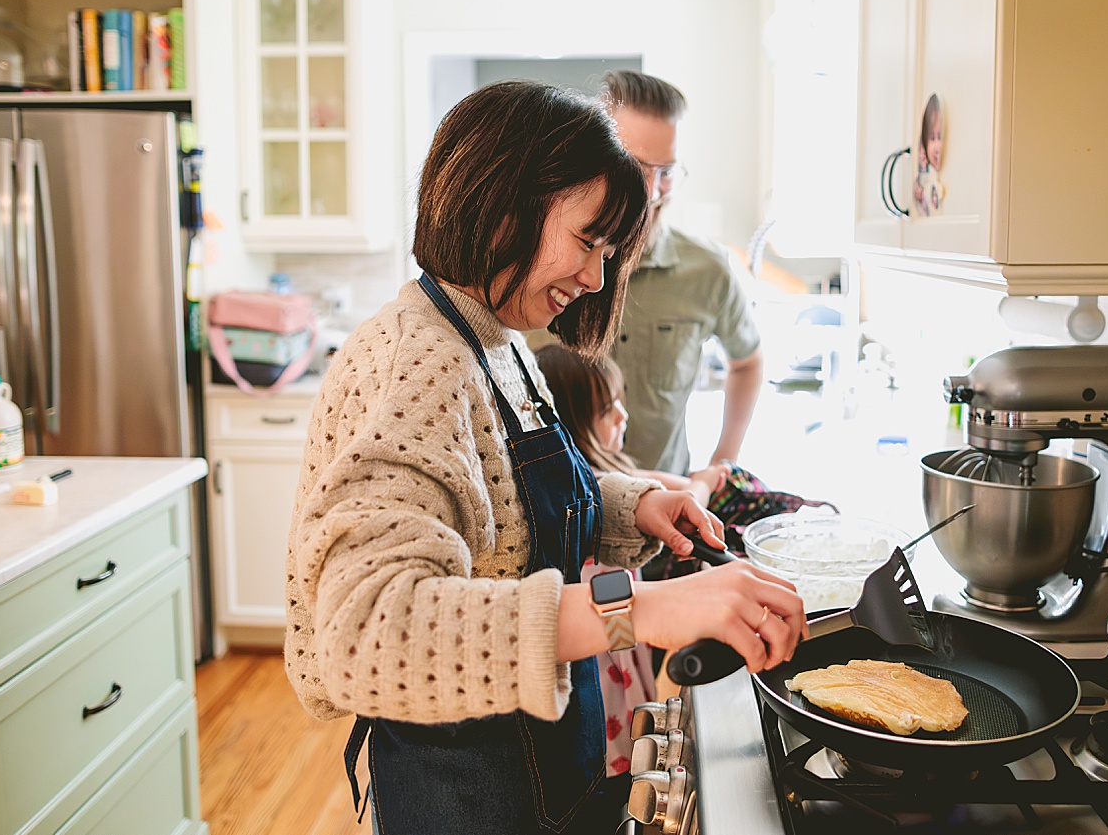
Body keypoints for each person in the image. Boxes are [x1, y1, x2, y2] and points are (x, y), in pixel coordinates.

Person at [284, 80, 806, 835]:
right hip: (465, 792)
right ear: (503, 207)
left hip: (539, 769)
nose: (596, 277)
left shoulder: (493, 339)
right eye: (588, 240)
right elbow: (370, 630)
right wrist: (645, 607)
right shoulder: (415, 361)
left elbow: (496, 497)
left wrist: (630, 504)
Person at [534, 343, 729, 793]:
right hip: (609, 670)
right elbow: (614, 633)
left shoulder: (608, 479)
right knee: (616, 761)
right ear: (571, 420)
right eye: (607, 409)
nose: (623, 415)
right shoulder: (585, 515)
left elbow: (683, 489)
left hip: (621, 654)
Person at [600, 70, 764, 478]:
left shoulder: (707, 271)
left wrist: (723, 462)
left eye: (667, 171)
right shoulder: (550, 267)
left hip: (668, 514)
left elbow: (748, 362)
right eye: (636, 167)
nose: (653, 191)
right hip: (563, 520)